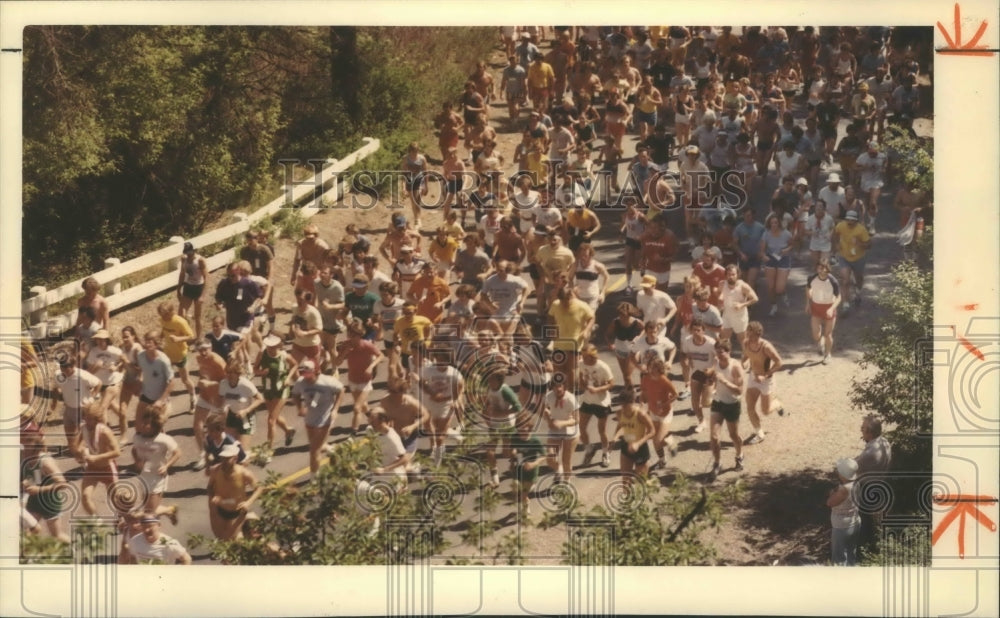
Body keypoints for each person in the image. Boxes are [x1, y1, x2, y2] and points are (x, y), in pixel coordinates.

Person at [291, 359, 345, 475]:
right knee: (316, 446)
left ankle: (314, 478)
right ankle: (333, 450)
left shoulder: (327, 382)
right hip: (310, 417)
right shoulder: (301, 382)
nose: (306, 377)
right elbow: (295, 394)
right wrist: (299, 407)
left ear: (316, 371)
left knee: (314, 450)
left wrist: (335, 409)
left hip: (325, 417)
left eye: (308, 373)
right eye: (303, 373)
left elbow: (341, 390)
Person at [330, 319, 384, 434]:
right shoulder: (346, 344)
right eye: (350, 333)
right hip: (352, 379)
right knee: (363, 405)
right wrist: (345, 352)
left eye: (355, 334)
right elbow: (337, 362)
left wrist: (371, 367)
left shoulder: (367, 345)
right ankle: (375, 420)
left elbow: (381, 355)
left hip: (365, 381)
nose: (351, 336)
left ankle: (353, 433)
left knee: (356, 408)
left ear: (361, 335)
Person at [20, 426, 71, 543]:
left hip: (49, 503)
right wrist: (26, 482)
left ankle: (78, 552)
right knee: (28, 533)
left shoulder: (45, 461)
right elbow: (37, 478)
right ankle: (31, 559)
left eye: (25, 441)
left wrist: (39, 490)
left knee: (57, 535)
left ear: (35, 443)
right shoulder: (24, 458)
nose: (22, 444)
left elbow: (63, 484)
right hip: (34, 502)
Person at [131, 407, 180, 524]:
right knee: (148, 508)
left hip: (157, 477)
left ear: (156, 426)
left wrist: (167, 466)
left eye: (148, 424)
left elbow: (178, 453)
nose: (144, 426)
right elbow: (134, 450)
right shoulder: (137, 437)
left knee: (149, 513)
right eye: (144, 422)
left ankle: (153, 532)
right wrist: (137, 460)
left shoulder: (164, 440)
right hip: (144, 476)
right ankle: (169, 510)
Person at [253, 334, 297, 458]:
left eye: (273, 346)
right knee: (275, 416)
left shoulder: (283, 356)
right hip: (268, 388)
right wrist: (261, 372)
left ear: (278, 345)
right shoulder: (262, 354)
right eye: (269, 346)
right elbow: (255, 369)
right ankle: (288, 430)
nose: (270, 348)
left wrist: (288, 378)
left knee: (271, 420)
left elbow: (295, 365)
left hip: (281, 389)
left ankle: (269, 449)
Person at [207, 442, 263, 540]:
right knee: (223, 539)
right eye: (222, 458)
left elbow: (259, 488)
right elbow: (210, 487)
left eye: (227, 459)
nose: (224, 462)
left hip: (237, 512)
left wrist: (248, 503)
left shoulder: (244, 473)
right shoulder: (216, 470)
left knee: (239, 539)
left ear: (235, 459)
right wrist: (213, 500)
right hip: (221, 511)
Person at [419, 349, 465, 466]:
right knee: (432, 430)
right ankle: (457, 436)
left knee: (439, 438)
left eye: (443, 360)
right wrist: (431, 393)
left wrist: (457, 400)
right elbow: (422, 383)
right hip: (431, 404)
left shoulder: (453, 373)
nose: (440, 362)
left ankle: (436, 465)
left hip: (446, 406)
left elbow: (461, 387)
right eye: (438, 359)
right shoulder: (428, 371)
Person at [708, 339, 745, 480]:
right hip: (718, 402)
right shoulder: (716, 362)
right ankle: (717, 464)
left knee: (733, 435)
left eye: (721, 352)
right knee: (714, 436)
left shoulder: (736, 367)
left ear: (728, 352)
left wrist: (724, 381)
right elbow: (714, 378)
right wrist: (711, 381)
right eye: (717, 352)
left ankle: (739, 455)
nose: (718, 355)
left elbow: (739, 391)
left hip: (732, 404)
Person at [742, 321, 784, 445]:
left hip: (766, 380)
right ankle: (759, 433)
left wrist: (764, 376)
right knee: (750, 407)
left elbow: (779, 362)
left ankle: (777, 404)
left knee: (765, 411)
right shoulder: (746, 343)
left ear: (757, 335)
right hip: (753, 378)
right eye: (747, 334)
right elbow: (745, 356)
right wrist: (743, 363)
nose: (748, 337)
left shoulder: (766, 347)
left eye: (751, 335)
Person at [382, 375, 430, 476]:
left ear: (403, 391)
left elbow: (426, 414)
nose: (393, 395)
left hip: (409, 436)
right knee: (400, 464)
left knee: (405, 463)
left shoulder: (411, 402)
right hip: (394, 435)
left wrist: (412, 426)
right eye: (391, 392)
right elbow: (382, 415)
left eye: (396, 393)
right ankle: (409, 468)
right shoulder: (385, 401)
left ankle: (413, 467)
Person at [54, 355, 101, 455]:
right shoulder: (59, 374)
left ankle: (89, 453)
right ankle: (75, 452)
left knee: (84, 434)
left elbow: (98, 383)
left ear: (72, 366)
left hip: (81, 409)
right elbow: (56, 387)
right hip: (68, 408)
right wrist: (55, 401)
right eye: (62, 369)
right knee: (69, 434)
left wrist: (91, 398)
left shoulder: (82, 375)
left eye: (66, 370)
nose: (64, 372)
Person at [577, 344, 613, 468]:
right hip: (587, 400)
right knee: (581, 427)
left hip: (602, 402)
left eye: (586, 357)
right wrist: (582, 385)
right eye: (583, 356)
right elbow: (581, 377)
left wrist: (598, 389)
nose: (584, 359)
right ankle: (589, 450)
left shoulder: (603, 367)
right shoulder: (581, 364)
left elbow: (611, 384)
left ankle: (605, 453)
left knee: (601, 430)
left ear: (593, 356)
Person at [84, 329, 127, 434]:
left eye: (102, 339)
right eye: (98, 339)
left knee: (102, 408)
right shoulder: (94, 351)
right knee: (111, 405)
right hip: (100, 383)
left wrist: (116, 367)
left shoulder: (114, 350)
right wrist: (97, 366)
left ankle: (104, 432)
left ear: (107, 340)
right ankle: (124, 418)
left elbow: (124, 361)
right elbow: (89, 368)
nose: (99, 342)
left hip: (113, 382)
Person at [218, 361, 264, 453]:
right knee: (229, 448)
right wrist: (223, 410)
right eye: (228, 372)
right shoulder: (223, 384)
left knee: (242, 452)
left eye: (233, 373)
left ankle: (257, 455)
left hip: (246, 418)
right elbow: (222, 399)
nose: (230, 375)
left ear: (238, 374)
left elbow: (260, 399)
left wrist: (246, 411)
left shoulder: (245, 384)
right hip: (232, 416)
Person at [157, 302, 196, 411]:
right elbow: (164, 329)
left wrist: (178, 339)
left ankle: (193, 397)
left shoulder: (180, 322)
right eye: (161, 315)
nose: (163, 317)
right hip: (167, 353)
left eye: (165, 315)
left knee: (185, 379)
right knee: (165, 380)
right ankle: (164, 404)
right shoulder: (162, 320)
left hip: (180, 354)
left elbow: (191, 336)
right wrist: (160, 336)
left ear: (171, 312)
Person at [613, 388, 656, 486]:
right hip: (626, 445)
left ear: (632, 402)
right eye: (621, 404)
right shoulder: (619, 413)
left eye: (625, 405)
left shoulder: (641, 414)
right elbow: (620, 425)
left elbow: (652, 431)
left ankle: (648, 479)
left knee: (641, 483)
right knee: (625, 480)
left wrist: (638, 443)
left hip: (640, 448)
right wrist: (615, 437)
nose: (623, 407)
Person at [831, 211, 871, 312]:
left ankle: (858, 292)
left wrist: (859, 243)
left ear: (856, 221)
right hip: (844, 256)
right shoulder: (841, 226)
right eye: (847, 219)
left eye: (852, 220)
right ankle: (845, 304)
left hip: (859, 258)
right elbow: (834, 234)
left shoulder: (861, 230)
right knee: (845, 281)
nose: (849, 221)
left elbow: (869, 245)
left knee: (859, 279)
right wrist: (836, 244)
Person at [681, 319, 717, 434]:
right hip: (696, 373)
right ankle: (701, 421)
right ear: (691, 331)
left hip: (709, 374)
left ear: (703, 331)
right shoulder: (687, 341)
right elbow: (685, 353)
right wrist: (687, 360)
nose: (696, 332)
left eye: (698, 330)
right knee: (695, 400)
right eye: (694, 330)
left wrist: (712, 369)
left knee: (706, 403)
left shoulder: (711, 343)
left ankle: (715, 393)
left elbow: (720, 357)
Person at [509, 412, 547, 516]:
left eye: (524, 430)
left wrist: (534, 464)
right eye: (520, 430)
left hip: (531, 471)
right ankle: (525, 502)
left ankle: (526, 506)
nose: (522, 433)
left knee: (523, 494)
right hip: (518, 469)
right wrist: (513, 455)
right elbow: (513, 448)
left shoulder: (535, 441)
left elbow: (544, 455)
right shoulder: (515, 437)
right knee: (516, 489)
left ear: (530, 428)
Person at [543, 379, 579, 485]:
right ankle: (559, 470)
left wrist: (562, 423)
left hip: (570, 432)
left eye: (560, 386)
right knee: (550, 458)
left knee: (566, 461)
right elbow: (544, 410)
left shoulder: (571, 399)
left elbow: (577, 420)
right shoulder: (549, 396)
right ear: (552, 387)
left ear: (564, 387)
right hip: (555, 430)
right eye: (555, 386)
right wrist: (549, 419)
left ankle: (567, 482)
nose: (558, 389)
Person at [805, 258, 842, 364]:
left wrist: (831, 308)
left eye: (823, 268)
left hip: (829, 307)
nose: (821, 270)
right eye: (819, 268)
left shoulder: (833, 281)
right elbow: (807, 288)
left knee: (828, 334)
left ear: (827, 269)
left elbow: (839, 297)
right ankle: (820, 342)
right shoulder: (812, 278)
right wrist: (808, 303)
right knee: (816, 335)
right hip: (816, 307)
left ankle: (828, 354)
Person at [828, 458, 861, 566]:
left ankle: (840, 579)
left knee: (839, 557)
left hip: (842, 526)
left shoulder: (843, 489)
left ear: (843, 474)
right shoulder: (857, 483)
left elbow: (830, 503)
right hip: (855, 521)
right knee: (851, 551)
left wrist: (832, 493)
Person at [719, 264, 758, 352]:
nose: (731, 276)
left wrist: (742, 305)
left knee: (742, 340)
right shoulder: (722, 284)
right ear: (726, 275)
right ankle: (726, 358)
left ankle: (746, 358)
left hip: (740, 317)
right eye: (728, 274)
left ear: (737, 275)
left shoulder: (743, 286)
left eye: (733, 274)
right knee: (724, 339)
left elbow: (755, 298)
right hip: (727, 316)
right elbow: (720, 294)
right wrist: (720, 304)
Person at [214, 262, 263, 333]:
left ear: (239, 271)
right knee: (242, 340)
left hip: (246, 319)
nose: (230, 278)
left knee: (242, 340)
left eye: (233, 275)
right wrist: (219, 304)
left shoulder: (248, 284)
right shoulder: (224, 284)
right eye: (228, 275)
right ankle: (261, 343)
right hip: (231, 320)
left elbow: (259, 298)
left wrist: (253, 306)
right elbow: (218, 297)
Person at [760, 215, 794, 316]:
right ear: (769, 224)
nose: (774, 225)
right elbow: (762, 251)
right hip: (771, 259)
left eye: (775, 223)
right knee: (771, 287)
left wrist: (787, 249)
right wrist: (764, 256)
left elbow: (792, 245)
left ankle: (783, 292)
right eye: (771, 223)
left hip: (783, 258)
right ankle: (773, 306)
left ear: (779, 223)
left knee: (779, 288)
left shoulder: (786, 234)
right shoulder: (766, 234)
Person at [127, 514, 191, 565]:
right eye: (144, 527)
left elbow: (187, 559)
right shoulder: (135, 540)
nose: (147, 530)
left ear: (159, 525)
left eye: (150, 526)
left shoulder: (169, 543)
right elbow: (133, 559)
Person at [176, 242, 208, 338]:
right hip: (188, 287)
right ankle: (186, 333)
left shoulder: (200, 261)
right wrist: (178, 288)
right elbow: (182, 273)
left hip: (198, 287)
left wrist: (202, 295)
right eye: (187, 252)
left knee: (197, 316)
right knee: (181, 313)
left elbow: (206, 277)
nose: (188, 255)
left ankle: (198, 338)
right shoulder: (184, 259)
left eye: (190, 252)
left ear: (194, 251)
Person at [854, 140, 887, 232]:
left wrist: (883, 169)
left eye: (874, 153)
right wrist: (864, 167)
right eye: (871, 153)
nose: (872, 155)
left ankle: (872, 226)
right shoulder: (862, 157)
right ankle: (870, 219)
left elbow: (886, 164)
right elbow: (855, 167)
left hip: (877, 181)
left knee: (873, 203)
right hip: (865, 181)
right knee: (867, 203)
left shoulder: (882, 156)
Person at [639, 216, 677, 292]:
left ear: (661, 228)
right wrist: (642, 262)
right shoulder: (645, 236)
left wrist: (662, 259)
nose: (653, 230)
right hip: (649, 269)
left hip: (663, 271)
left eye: (655, 228)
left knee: (660, 294)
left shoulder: (669, 237)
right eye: (651, 228)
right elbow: (644, 249)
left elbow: (674, 257)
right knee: (647, 292)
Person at [401, 142, 429, 227]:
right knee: (413, 201)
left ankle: (418, 219)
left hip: (419, 180)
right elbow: (403, 173)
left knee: (417, 199)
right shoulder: (406, 159)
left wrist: (426, 185)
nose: (415, 153)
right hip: (409, 180)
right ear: (410, 151)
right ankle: (416, 218)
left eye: (416, 151)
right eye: (413, 151)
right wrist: (403, 187)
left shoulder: (422, 159)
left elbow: (425, 172)